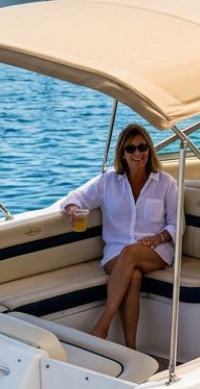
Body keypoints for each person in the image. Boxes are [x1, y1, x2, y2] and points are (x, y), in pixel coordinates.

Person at [58, 124, 178, 349]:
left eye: (142, 147)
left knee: (131, 252)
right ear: (122, 153)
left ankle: (102, 325)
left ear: (149, 150)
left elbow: (176, 224)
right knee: (133, 277)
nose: (137, 153)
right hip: (116, 252)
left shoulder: (166, 183)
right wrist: (73, 209)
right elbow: (76, 197)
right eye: (130, 148)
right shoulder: (108, 182)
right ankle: (130, 348)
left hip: (155, 251)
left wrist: (159, 237)